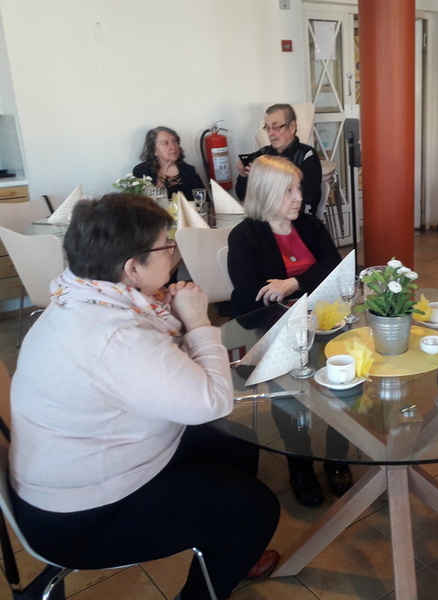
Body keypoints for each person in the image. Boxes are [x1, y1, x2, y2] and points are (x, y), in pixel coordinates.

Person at [9, 194, 281, 600]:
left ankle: (232, 550)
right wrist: (197, 320)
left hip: (82, 472)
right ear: (132, 269)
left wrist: (172, 316)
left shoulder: (82, 297)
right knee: (258, 509)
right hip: (81, 518)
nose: (172, 251)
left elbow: (151, 367)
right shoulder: (114, 336)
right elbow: (213, 399)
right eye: (165, 245)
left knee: (235, 442)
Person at [228, 155, 351, 507]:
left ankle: (337, 456)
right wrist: (304, 288)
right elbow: (251, 294)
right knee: (288, 394)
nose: (299, 197)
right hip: (277, 330)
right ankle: (301, 465)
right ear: (266, 192)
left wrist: (292, 283)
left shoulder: (310, 225)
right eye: (289, 191)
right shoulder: (245, 236)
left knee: (344, 380)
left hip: (326, 324)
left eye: (297, 188)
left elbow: (335, 268)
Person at [235, 103, 323, 216]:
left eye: (276, 127)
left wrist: (264, 178)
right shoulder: (263, 154)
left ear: (292, 127)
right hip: (266, 218)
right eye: (267, 128)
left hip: (296, 218)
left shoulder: (307, 155)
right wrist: (243, 175)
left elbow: (309, 200)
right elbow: (243, 197)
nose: (271, 133)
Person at [133, 126, 204, 198]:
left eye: (174, 141)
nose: (173, 147)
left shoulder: (189, 171)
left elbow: (204, 200)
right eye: (165, 143)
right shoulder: (141, 171)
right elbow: (135, 202)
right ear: (154, 150)